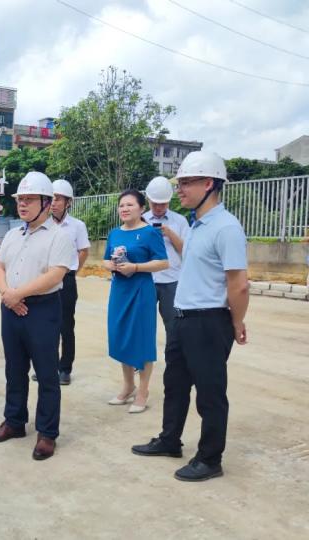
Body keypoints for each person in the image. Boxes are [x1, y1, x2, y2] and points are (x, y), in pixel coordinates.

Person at [132, 151, 249, 482]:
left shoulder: (226, 228)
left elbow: (239, 284)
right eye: (179, 183)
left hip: (209, 320)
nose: (179, 190)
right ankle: (170, 440)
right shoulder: (197, 224)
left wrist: (236, 322)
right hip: (183, 318)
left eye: (185, 183)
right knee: (175, 384)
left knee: (210, 393)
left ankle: (210, 458)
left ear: (209, 184)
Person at [0, 172, 77, 461]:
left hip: (42, 309)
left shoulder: (60, 236)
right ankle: (14, 421)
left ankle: (47, 433)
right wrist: (7, 295)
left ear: (46, 203)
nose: (22, 204)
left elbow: (55, 275)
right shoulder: (13, 234)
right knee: (14, 369)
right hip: (11, 307)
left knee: (47, 374)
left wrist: (17, 294)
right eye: (20, 199)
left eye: (29, 199)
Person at [102, 190, 168, 414]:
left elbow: (163, 262)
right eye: (122, 205)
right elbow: (105, 260)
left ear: (142, 208)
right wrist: (111, 265)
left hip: (141, 291)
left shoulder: (150, 233)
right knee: (120, 336)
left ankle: (143, 391)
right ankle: (128, 385)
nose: (125, 209)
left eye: (130, 205)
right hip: (119, 290)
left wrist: (136, 267)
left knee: (142, 338)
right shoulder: (114, 233)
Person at [32, 179, 90, 385]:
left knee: (66, 325)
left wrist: (71, 271)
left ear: (68, 202)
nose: (54, 203)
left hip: (66, 280)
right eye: (51, 199)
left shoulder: (77, 226)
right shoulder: (41, 225)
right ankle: (46, 367)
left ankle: (65, 369)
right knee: (45, 325)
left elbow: (84, 251)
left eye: (58, 199)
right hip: (43, 279)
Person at [143, 176, 190, 339]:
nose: (158, 207)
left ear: (169, 201)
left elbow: (186, 251)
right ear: (148, 200)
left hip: (172, 281)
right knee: (143, 323)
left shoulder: (180, 221)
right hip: (146, 279)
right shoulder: (141, 220)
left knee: (174, 325)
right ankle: (143, 354)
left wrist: (170, 233)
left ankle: (173, 355)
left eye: (162, 204)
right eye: (154, 203)